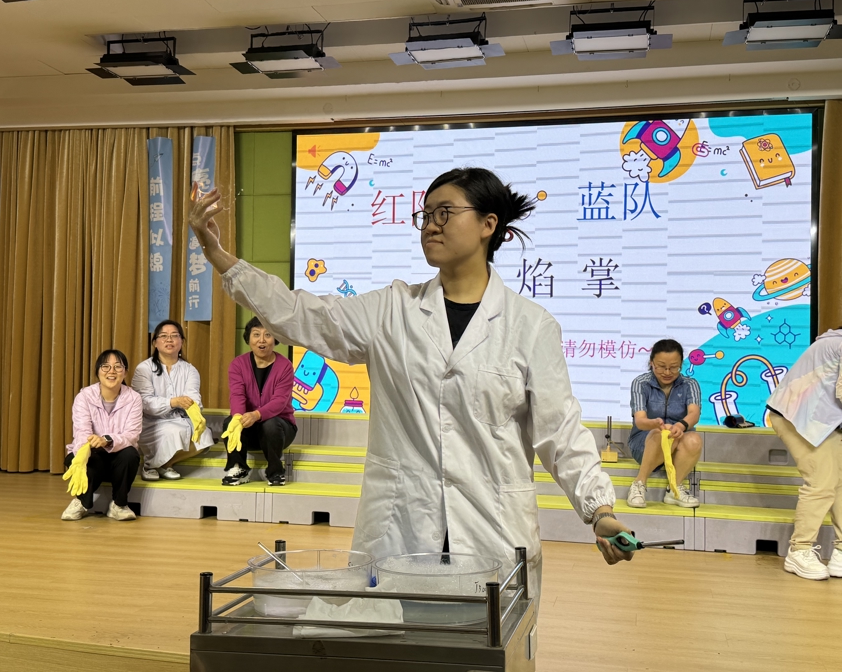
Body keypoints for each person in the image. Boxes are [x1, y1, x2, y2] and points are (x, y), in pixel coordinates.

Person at [188, 167, 633, 609]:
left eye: (445, 213)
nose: (430, 225)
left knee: (489, 640)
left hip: (492, 533)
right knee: (398, 638)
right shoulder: (392, 309)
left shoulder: (531, 326)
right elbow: (301, 314)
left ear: (488, 224)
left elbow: (560, 431)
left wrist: (599, 511)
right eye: (426, 215)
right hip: (401, 532)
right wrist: (218, 255)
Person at [767, 328, 842, 581]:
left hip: (825, 419)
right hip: (798, 416)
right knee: (821, 481)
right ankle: (799, 550)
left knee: (839, 482)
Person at [61, 349, 143, 522]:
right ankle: (81, 502)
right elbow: (81, 431)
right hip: (92, 451)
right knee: (81, 459)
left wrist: (107, 439)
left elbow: (132, 434)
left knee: (130, 454)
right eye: (105, 366)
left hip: (118, 455)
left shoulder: (134, 398)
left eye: (118, 367)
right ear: (97, 371)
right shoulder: (84, 397)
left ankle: (119, 505)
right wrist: (90, 445)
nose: (111, 371)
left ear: (125, 372)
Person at [132, 319, 214, 480]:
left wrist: (191, 405)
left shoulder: (190, 370)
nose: (169, 340)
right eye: (163, 336)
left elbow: (193, 398)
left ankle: (159, 465)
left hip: (181, 419)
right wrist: (173, 402)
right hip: (151, 422)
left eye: (174, 336)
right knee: (174, 431)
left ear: (181, 341)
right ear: (155, 343)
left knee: (205, 435)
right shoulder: (144, 368)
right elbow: (144, 402)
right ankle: (152, 465)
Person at [626, 339, 702, 509]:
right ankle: (639, 484)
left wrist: (680, 426)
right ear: (651, 363)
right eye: (661, 367)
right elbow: (640, 421)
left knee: (694, 439)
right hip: (645, 442)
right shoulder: (641, 383)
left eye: (674, 367)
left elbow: (694, 414)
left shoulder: (690, 385)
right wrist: (655, 424)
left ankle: (675, 489)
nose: (667, 372)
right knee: (662, 435)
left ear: (681, 364)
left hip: (679, 440)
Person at [221, 317, 297, 487]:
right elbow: (237, 395)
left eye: (268, 335)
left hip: (281, 428)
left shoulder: (285, 366)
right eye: (256, 334)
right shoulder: (238, 364)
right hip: (250, 428)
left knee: (270, 424)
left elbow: (279, 401)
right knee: (230, 422)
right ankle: (238, 468)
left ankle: (275, 472)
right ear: (248, 339)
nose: (262, 340)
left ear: (275, 339)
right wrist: (239, 417)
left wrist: (256, 415)